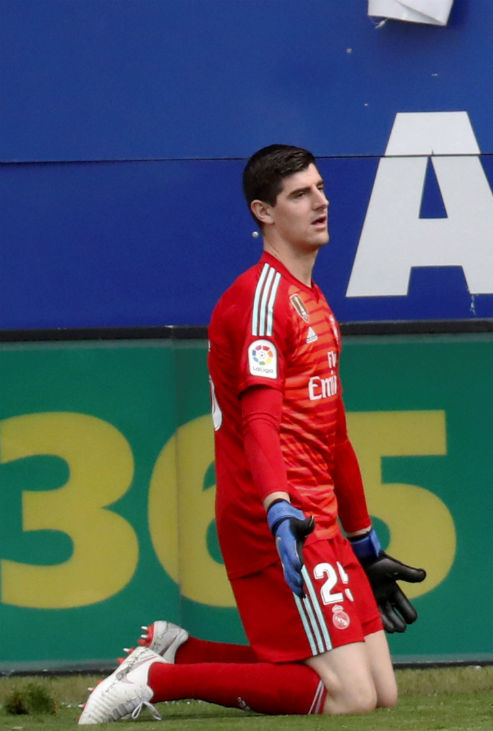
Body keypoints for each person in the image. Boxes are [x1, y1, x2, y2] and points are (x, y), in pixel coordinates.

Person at [79, 145, 428, 724]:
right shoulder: (262, 299)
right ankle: (155, 680)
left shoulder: (313, 301)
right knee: (349, 698)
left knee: (380, 694)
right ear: (264, 212)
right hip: (279, 517)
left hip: (315, 517)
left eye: (319, 188)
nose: (321, 202)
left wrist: (363, 541)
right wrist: (276, 506)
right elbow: (260, 420)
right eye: (300, 194)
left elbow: (334, 436)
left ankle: (182, 652)